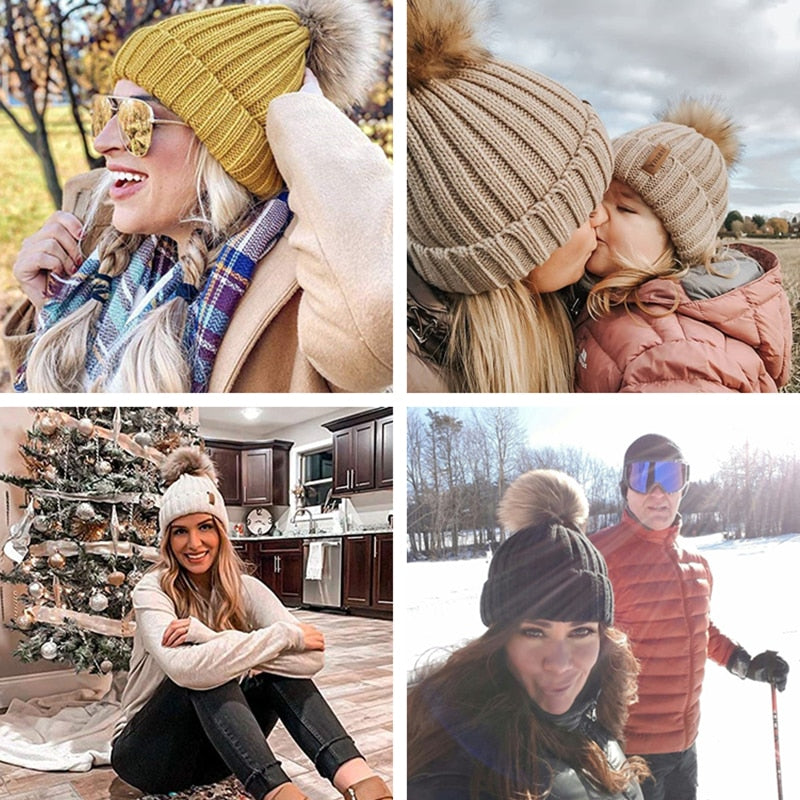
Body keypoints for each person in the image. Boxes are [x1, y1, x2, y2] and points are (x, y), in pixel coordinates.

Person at [3, 0, 392, 393]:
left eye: (138, 119)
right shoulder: (96, 241)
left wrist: (308, 122)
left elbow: (376, 323)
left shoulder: (306, 286)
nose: (103, 142)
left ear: (221, 146)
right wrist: (49, 305)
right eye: (109, 112)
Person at [111, 447, 392, 800]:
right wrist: (281, 637)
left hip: (222, 753)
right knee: (207, 672)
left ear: (221, 533)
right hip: (148, 756)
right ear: (168, 540)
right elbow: (186, 671)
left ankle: (363, 784)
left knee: (264, 670)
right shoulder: (152, 590)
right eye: (180, 532)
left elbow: (310, 660)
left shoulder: (248, 589)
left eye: (205, 527)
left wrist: (213, 638)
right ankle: (279, 794)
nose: (194, 543)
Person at [406, 0, 613, 392]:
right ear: (512, 250)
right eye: (582, 208)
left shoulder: (581, 307)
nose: (601, 217)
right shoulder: (417, 373)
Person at [408, 470, 648, 799]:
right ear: (501, 639)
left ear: (603, 638)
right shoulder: (459, 760)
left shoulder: (594, 713)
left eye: (581, 631)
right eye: (535, 632)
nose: (560, 663)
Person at [591, 434, 789, 800]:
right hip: (628, 751)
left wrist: (744, 663)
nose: (657, 492)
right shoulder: (598, 556)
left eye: (669, 477)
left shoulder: (696, 563)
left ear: (684, 486)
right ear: (624, 488)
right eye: (642, 478)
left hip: (685, 747)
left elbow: (700, 630)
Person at [573, 99, 792, 392]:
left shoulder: (678, 360)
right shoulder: (609, 298)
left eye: (624, 207)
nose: (596, 214)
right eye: (597, 197)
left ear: (680, 240)